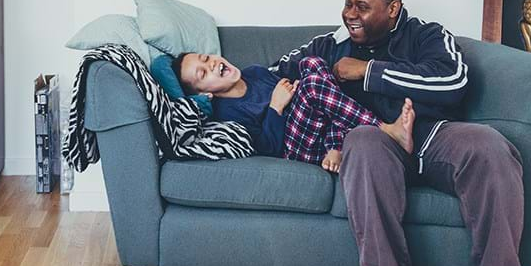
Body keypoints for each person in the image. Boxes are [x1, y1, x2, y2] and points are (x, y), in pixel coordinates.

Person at [270, 0, 531, 266]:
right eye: (347, 3)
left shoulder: (426, 35)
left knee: (492, 149)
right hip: (379, 141)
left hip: (435, 135)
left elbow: (453, 81)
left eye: (362, 6)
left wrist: (368, 72)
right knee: (361, 141)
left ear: (393, 9)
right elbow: (280, 68)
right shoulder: (331, 44)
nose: (349, 14)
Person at [173, 52, 415, 171]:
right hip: (293, 148)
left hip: (315, 127)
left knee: (312, 63)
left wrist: (295, 89)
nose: (212, 64)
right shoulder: (226, 113)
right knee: (312, 87)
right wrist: (275, 107)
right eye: (203, 74)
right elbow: (267, 147)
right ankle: (385, 129)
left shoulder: (255, 72)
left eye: (206, 58)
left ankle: (335, 144)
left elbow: (293, 88)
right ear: (205, 93)